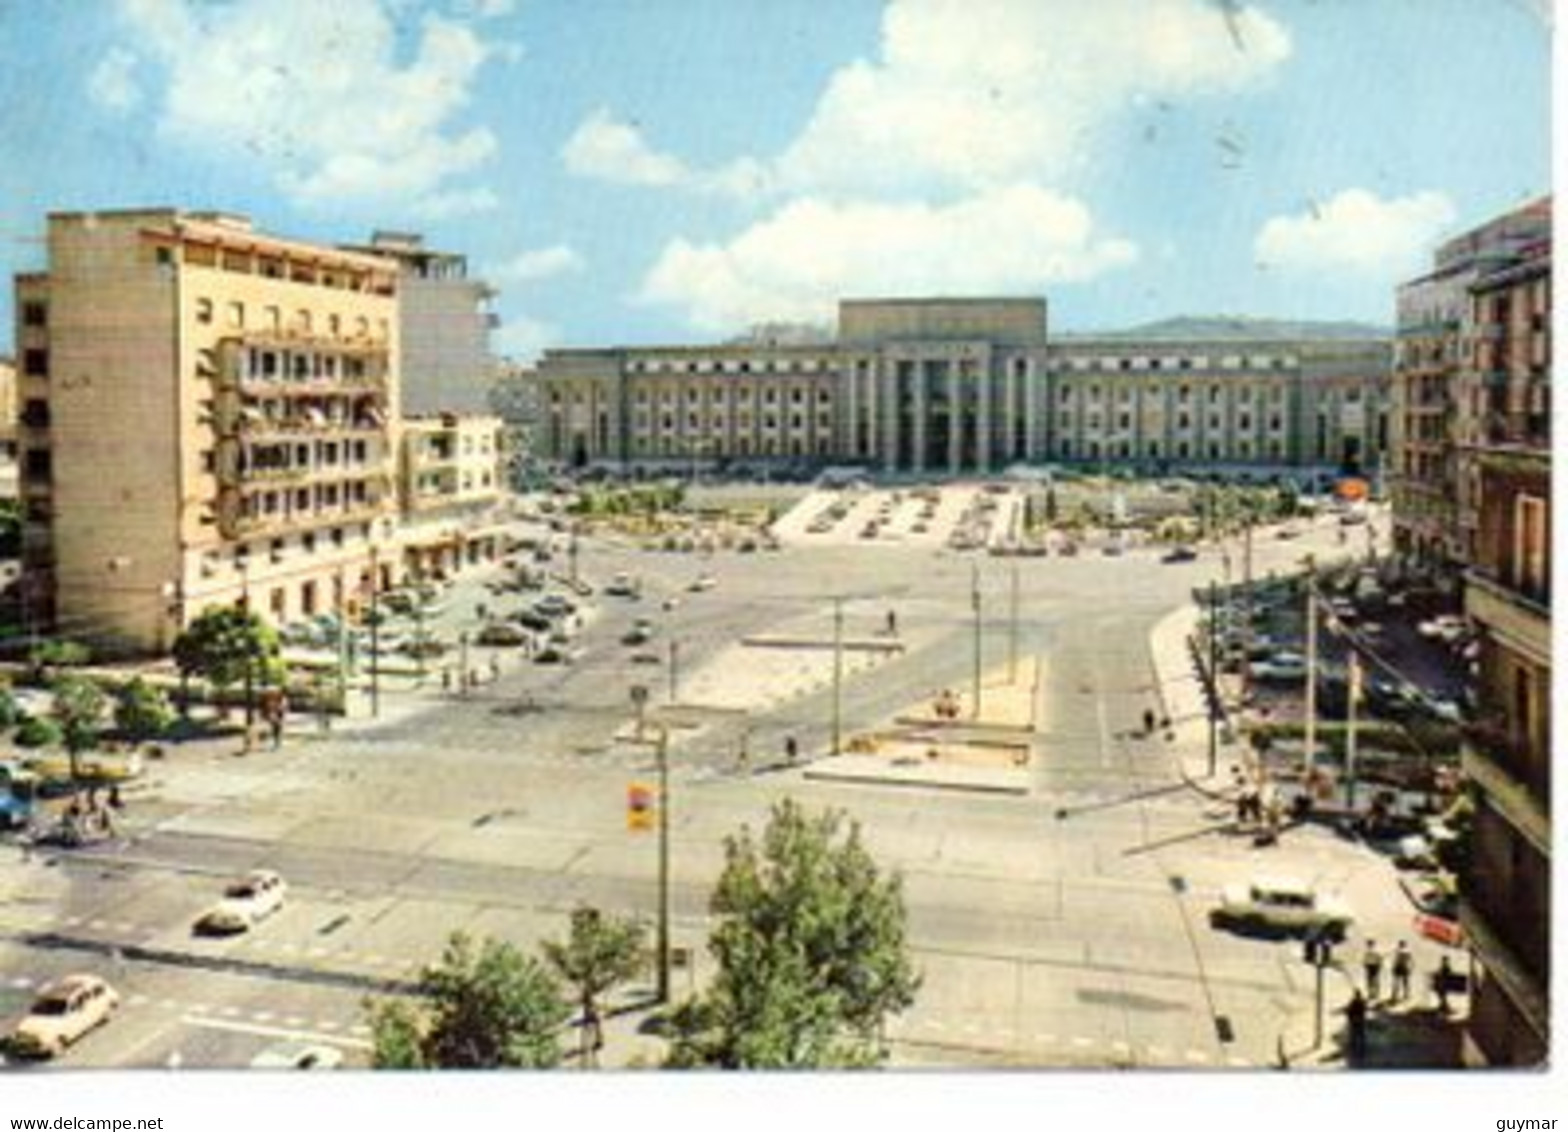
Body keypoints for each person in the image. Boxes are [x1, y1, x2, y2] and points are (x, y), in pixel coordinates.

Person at [1345, 990, 1369, 1063]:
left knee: (1357, 1037)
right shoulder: (1358, 1002)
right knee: (1358, 1037)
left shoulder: (1354, 1002)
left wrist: (1351, 1018)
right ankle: (1358, 1051)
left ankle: (1358, 1051)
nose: (1357, 996)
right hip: (1358, 1022)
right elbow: (1350, 1012)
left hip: (1357, 1022)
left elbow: (1349, 1012)